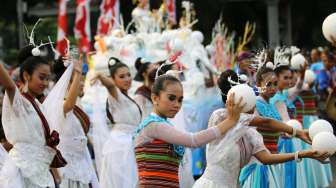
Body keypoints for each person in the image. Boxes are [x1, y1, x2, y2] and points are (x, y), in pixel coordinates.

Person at [193, 70, 329, 188]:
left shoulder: (251, 133)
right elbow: (266, 121)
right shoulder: (220, 116)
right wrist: (297, 132)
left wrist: (302, 154)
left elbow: (267, 158)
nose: (254, 101)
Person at [133, 74, 245, 187]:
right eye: (171, 98)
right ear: (155, 98)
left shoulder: (164, 125)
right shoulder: (153, 125)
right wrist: (230, 121)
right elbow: (193, 140)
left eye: (180, 100)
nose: (177, 105)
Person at [0, 53, 74, 187]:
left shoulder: (38, 105)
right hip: (22, 170)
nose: (45, 83)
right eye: (41, 77)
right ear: (27, 76)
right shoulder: (20, 102)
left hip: (41, 171)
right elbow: (10, 86)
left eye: (47, 78)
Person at [93, 57, 142, 188]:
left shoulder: (128, 97)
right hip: (121, 147)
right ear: (113, 79)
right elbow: (110, 86)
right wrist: (100, 76)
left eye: (128, 75)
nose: (127, 79)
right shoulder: (115, 96)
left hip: (130, 143)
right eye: (121, 76)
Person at [51, 57, 99, 188]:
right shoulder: (60, 105)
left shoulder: (77, 105)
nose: (82, 83)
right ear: (67, 83)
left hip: (84, 162)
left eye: (81, 79)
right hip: (68, 168)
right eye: (77, 80)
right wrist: (77, 72)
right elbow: (69, 105)